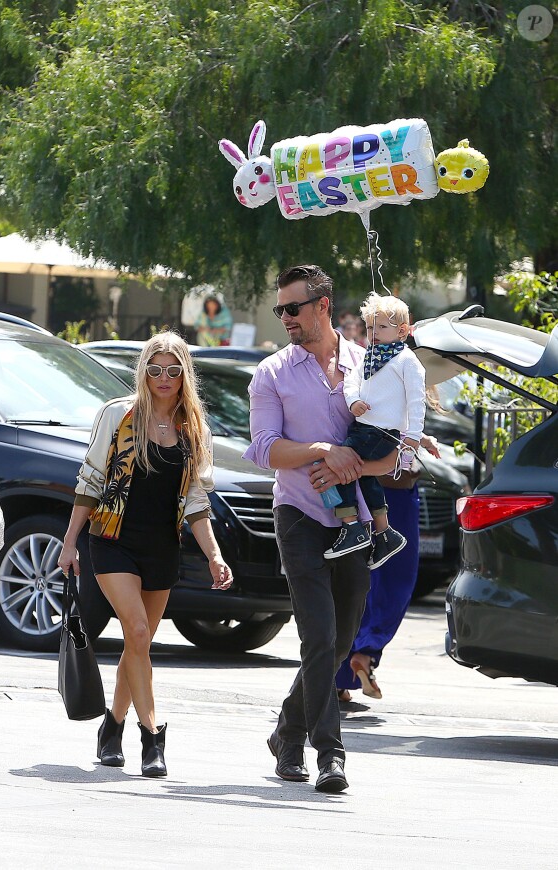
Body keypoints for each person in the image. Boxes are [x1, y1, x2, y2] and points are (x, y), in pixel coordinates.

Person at [243, 265, 397, 794]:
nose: (285, 317)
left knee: (341, 639)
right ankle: (330, 753)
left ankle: (286, 732)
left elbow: (390, 453)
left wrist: (350, 465)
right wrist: (323, 451)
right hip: (299, 515)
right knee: (319, 635)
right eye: (280, 309)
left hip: (355, 521)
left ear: (323, 305)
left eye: (293, 308)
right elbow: (264, 448)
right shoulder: (272, 372)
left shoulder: (370, 364)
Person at [58, 331, 233, 778]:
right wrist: (70, 541)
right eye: (155, 369)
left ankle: (111, 727)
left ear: (184, 373)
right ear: (144, 372)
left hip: (161, 548)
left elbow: (197, 501)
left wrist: (214, 555)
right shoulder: (118, 415)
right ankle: (152, 736)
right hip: (112, 539)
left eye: (173, 370)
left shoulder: (195, 428)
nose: (163, 377)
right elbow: (90, 480)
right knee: (136, 630)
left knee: (139, 644)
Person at [323, 292, 426, 569]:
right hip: (362, 427)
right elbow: (350, 382)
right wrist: (353, 401)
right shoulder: (370, 355)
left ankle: (351, 526)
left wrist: (414, 437)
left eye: (381, 327)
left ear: (402, 331)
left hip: (382, 432)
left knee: (337, 465)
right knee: (365, 478)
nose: (374, 333)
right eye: (370, 327)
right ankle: (384, 533)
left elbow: (417, 401)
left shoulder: (406, 360)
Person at [336, 436, 440, 701]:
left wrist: (420, 437)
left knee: (359, 577)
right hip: (388, 485)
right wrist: (420, 438)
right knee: (394, 580)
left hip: (368, 485)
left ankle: (340, 675)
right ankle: (364, 655)